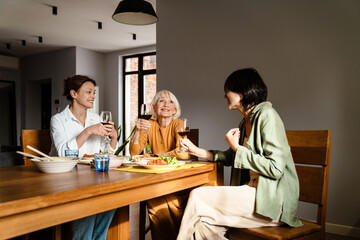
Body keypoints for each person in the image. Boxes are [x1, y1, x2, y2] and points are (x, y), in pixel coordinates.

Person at [177, 68, 303, 239]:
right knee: (204, 225)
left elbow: (276, 169)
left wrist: (237, 148)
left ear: (243, 92)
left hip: (271, 202)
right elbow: (231, 157)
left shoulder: (267, 115)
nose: (224, 96)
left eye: (227, 90)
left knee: (198, 196)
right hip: (251, 193)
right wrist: (198, 151)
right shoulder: (246, 121)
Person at [49, 75, 117, 240]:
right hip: (66, 178)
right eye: (88, 92)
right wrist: (87, 131)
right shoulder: (58, 120)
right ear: (74, 94)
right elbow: (64, 154)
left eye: (94, 92)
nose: (93, 96)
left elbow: (104, 153)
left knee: (113, 197)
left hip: (93, 175)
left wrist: (114, 138)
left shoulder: (96, 119)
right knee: (88, 202)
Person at [129, 90, 190, 240]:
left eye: (171, 102)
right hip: (156, 177)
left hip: (176, 177)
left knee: (163, 199)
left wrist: (157, 157)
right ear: (154, 108)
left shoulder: (179, 124)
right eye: (161, 101)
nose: (166, 105)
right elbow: (134, 153)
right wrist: (137, 130)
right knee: (156, 199)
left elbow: (182, 153)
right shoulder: (149, 125)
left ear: (175, 109)